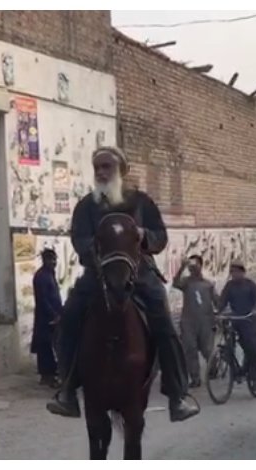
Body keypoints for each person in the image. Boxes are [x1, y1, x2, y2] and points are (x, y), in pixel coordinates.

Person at [46, 146, 199, 423]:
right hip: (98, 276)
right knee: (68, 320)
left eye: (108, 167)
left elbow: (160, 237)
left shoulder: (141, 202)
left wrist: (143, 235)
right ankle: (67, 391)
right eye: (98, 168)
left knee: (164, 325)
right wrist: (102, 251)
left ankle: (177, 395)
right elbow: (80, 240)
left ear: (122, 171)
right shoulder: (86, 206)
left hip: (139, 275)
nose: (102, 173)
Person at [217, 260, 256, 383]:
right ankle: (235, 370)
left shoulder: (250, 285)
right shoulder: (229, 286)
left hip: (251, 320)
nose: (234, 274)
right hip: (237, 319)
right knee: (228, 345)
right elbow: (222, 302)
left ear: (242, 272)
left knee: (252, 347)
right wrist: (217, 312)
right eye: (232, 272)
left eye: (236, 272)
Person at [173, 254, 218, 388]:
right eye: (191, 266)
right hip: (188, 321)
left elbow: (217, 301)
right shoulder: (186, 283)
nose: (193, 268)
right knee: (190, 349)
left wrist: (220, 315)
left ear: (201, 266)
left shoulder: (208, 284)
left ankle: (213, 368)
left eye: (196, 265)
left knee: (207, 349)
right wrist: (182, 267)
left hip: (205, 321)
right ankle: (195, 377)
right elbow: (175, 283)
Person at [31, 248, 62, 387]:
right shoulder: (41, 276)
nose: (53, 262)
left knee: (54, 346)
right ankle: (47, 375)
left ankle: (53, 374)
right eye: (51, 260)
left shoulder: (50, 274)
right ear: (44, 260)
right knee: (45, 347)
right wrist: (53, 315)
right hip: (46, 318)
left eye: (54, 260)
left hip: (55, 316)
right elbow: (42, 299)